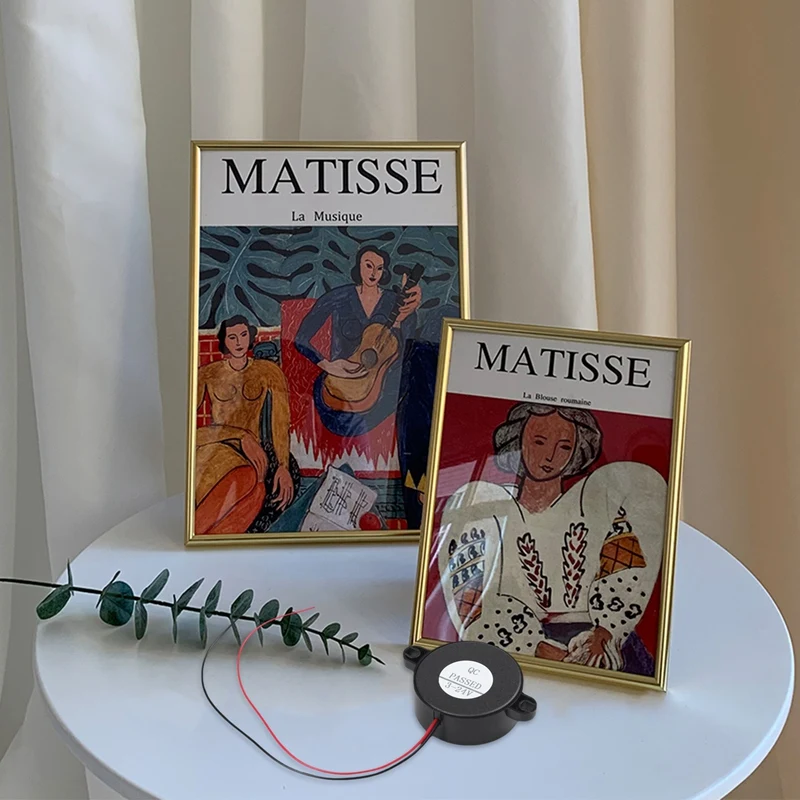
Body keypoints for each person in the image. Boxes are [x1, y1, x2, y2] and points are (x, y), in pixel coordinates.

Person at [435, 403, 667, 676]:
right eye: (539, 441)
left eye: (565, 447)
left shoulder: (600, 499)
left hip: (599, 648)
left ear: (578, 450)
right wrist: (538, 648)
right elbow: (472, 599)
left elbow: (627, 567)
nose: (550, 456)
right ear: (518, 440)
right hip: (514, 646)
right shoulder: (483, 504)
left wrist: (604, 633)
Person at [294, 245, 422, 436]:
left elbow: (405, 352)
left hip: (383, 384)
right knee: (339, 413)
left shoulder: (395, 301)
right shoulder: (339, 296)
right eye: (368, 266)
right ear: (358, 266)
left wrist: (404, 319)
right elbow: (301, 338)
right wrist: (328, 365)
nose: (373, 273)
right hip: (340, 383)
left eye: (379, 268)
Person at [195, 316, 295, 534]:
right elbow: (188, 432)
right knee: (247, 478)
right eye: (232, 337)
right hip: (219, 448)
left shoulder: (268, 371)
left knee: (259, 491)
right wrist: (241, 436)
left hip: (257, 453)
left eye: (243, 335)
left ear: (251, 337)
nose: (239, 342)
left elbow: (280, 423)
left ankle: (208, 539)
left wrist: (283, 466)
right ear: (224, 341)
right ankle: (197, 532)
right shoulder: (208, 373)